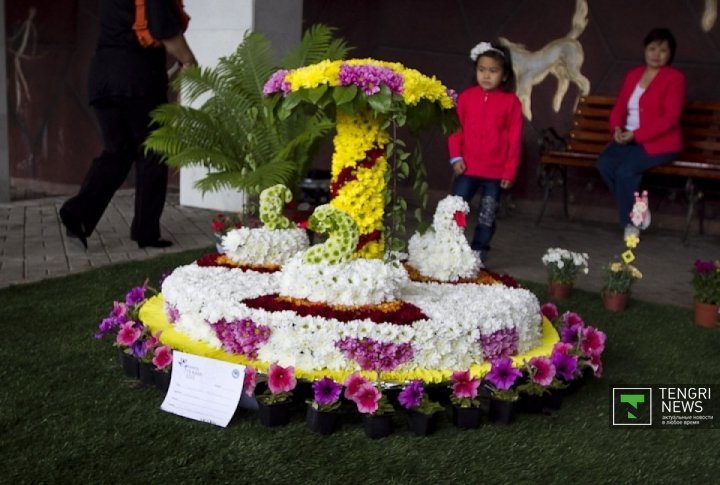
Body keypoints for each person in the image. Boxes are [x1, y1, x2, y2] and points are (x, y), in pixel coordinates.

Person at [59, 0, 197, 249]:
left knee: (118, 151)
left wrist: (174, 69)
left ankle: (77, 213)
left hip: (103, 79)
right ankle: (146, 232)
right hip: (137, 81)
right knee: (153, 152)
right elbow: (163, 29)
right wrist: (188, 60)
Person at [596, 28, 685, 239]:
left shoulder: (675, 78)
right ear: (645, 50)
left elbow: (670, 118)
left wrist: (637, 135)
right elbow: (619, 107)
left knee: (626, 172)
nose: (656, 54)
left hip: (661, 143)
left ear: (670, 54)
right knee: (605, 164)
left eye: (663, 50)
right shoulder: (633, 75)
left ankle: (632, 223)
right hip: (628, 139)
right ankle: (638, 207)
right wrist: (617, 128)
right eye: (652, 48)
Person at [447, 41, 523, 264]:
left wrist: (509, 172)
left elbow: (514, 140)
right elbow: (455, 129)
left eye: (493, 71)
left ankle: (479, 249)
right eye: (482, 70)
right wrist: (456, 156)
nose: (486, 76)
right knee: (456, 207)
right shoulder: (467, 97)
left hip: (495, 172)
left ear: (505, 75)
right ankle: (451, 246)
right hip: (467, 167)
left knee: (487, 214)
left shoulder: (511, 102)